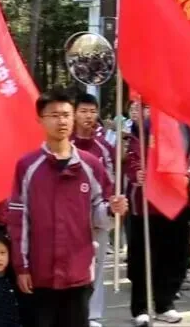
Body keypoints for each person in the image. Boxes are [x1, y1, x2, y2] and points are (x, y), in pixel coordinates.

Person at [7, 89, 128, 327]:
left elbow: (99, 214)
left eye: (66, 114)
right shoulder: (28, 166)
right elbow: (19, 220)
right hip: (40, 274)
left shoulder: (90, 165)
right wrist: (22, 267)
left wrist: (113, 210)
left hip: (78, 273)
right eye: (53, 115)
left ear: (73, 118)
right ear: (40, 119)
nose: (61, 121)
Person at [124, 119, 190, 326]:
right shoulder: (142, 126)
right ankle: (140, 308)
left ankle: (165, 304)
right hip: (145, 204)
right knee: (143, 257)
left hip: (177, 201)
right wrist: (137, 173)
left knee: (174, 255)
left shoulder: (187, 128)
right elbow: (130, 156)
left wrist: (187, 176)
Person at [71, 93, 116, 327]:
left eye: (92, 111)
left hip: (97, 216)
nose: (88, 116)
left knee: (96, 267)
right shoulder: (64, 143)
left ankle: (93, 315)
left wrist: (110, 207)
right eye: (83, 111)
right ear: (74, 113)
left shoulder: (104, 148)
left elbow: (111, 180)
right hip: (69, 219)